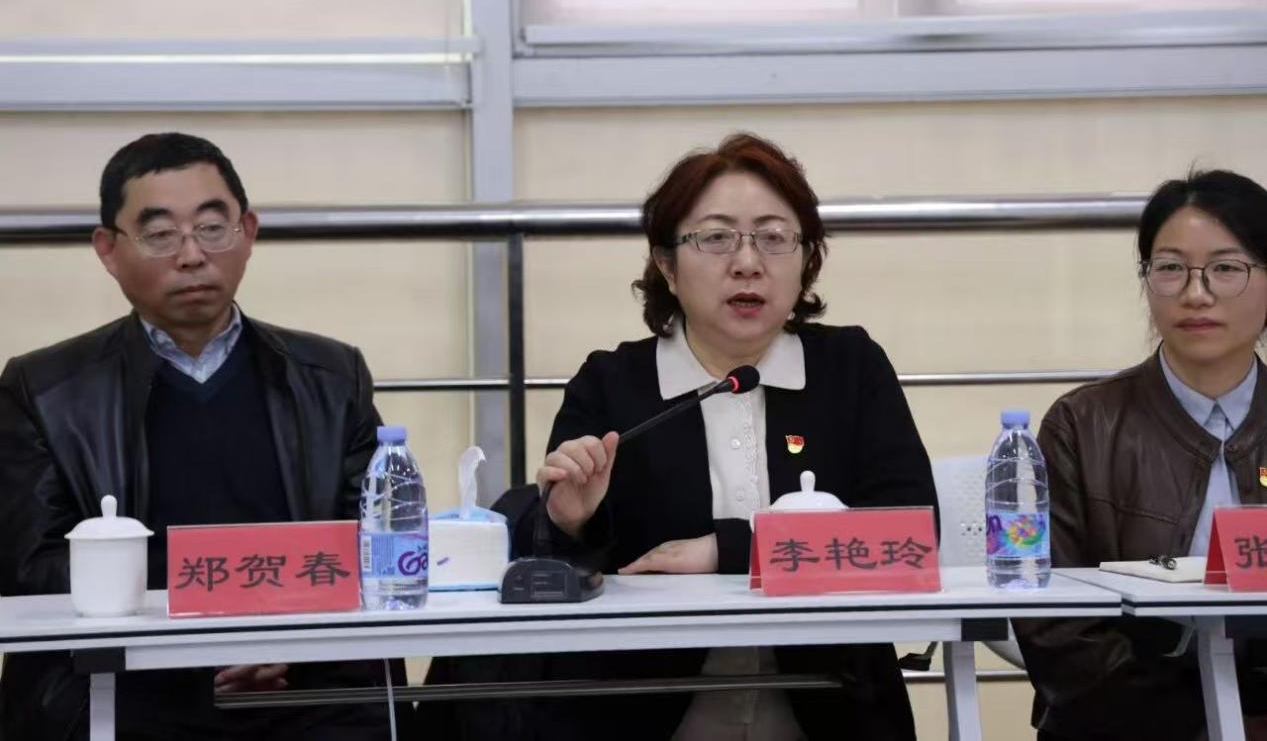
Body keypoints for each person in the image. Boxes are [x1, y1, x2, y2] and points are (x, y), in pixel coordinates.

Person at [429, 133, 937, 740]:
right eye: (716, 238)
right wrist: (567, 520)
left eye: (774, 237)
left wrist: (731, 552)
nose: (747, 262)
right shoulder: (612, 384)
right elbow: (558, 572)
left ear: (806, 260)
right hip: (646, 716)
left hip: (833, 710)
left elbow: (910, 534)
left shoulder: (850, 369)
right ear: (667, 265)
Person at [0, 133, 409, 740]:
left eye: (212, 228)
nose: (191, 255)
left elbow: (377, 541)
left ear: (248, 232)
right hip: (126, 685)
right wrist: (195, 640)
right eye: (160, 234)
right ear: (109, 250)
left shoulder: (330, 376)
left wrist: (284, 638)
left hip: (304, 682)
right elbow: (30, 569)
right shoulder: (43, 389)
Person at [1014, 169, 1267, 741]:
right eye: (1170, 268)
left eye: (1226, 268)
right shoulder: (1083, 424)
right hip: (1127, 725)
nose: (1196, 293)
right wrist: (1206, 726)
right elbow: (1051, 624)